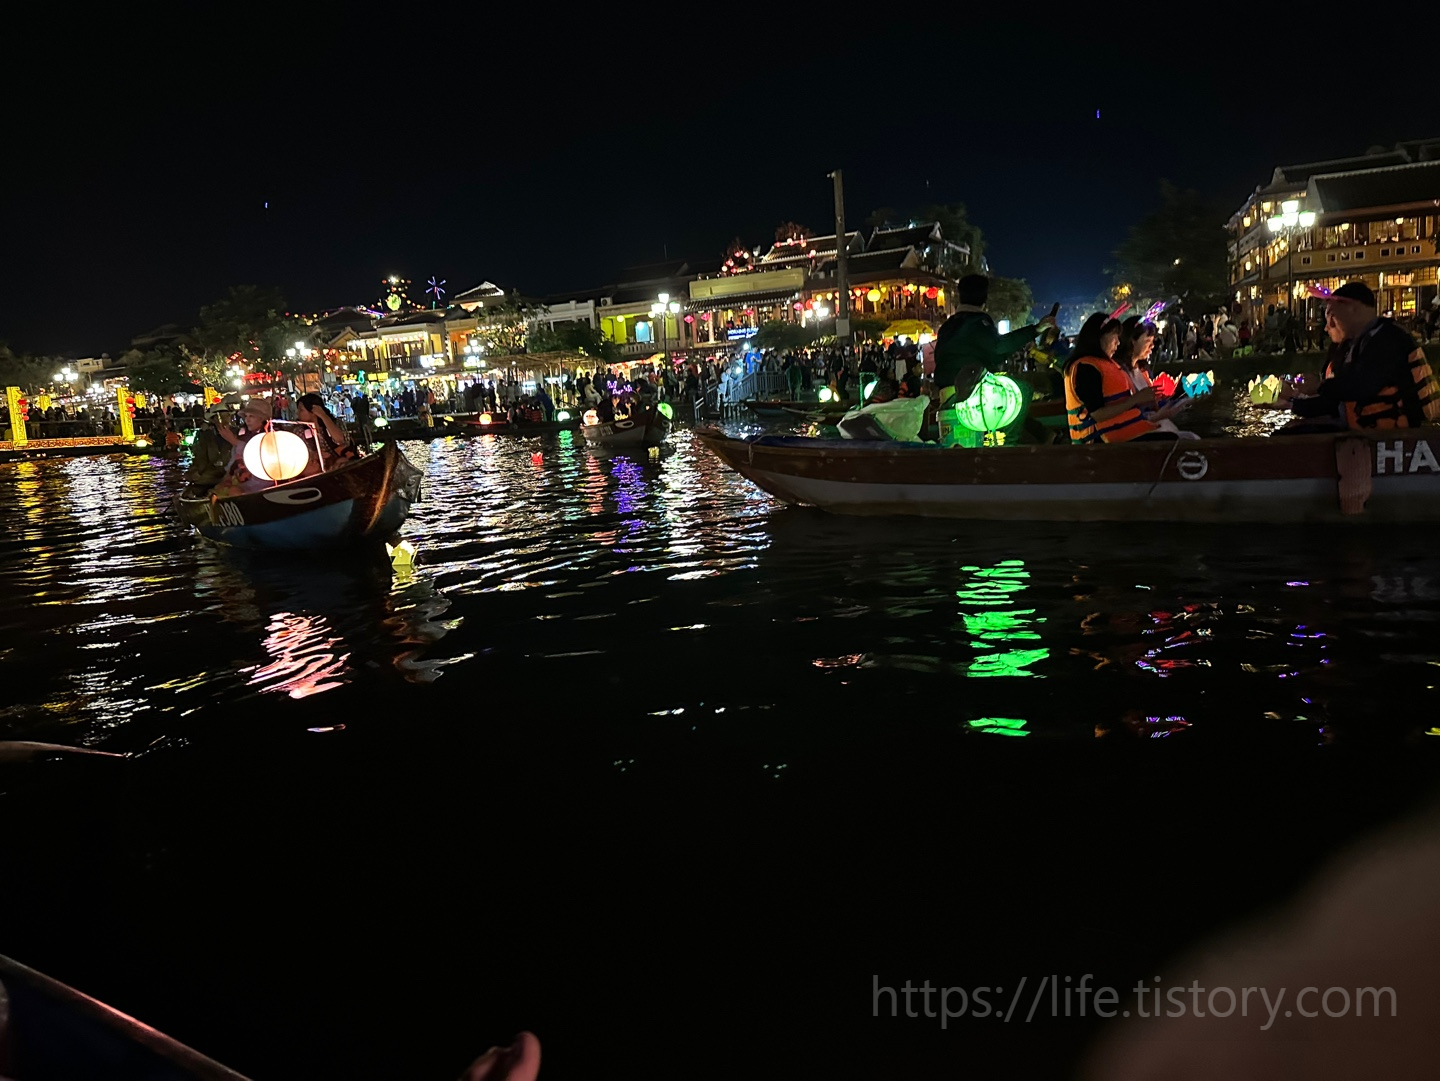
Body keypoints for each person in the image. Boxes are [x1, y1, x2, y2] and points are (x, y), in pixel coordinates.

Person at [1276, 281, 1440, 434]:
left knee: (1287, 436)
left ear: (1352, 309)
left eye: (1332, 317)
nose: (1327, 327)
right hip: (1363, 429)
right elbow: (1335, 402)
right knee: (1287, 431)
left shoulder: (1388, 338)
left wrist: (1319, 386)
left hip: (1394, 435)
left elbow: (1360, 386)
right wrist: (1292, 403)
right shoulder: (1354, 345)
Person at [932, 274, 1056, 405]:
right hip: (971, 390)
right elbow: (998, 348)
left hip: (945, 393)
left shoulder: (947, 326)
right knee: (1025, 391)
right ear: (984, 300)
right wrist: (1036, 329)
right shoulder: (978, 322)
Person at [1062, 314, 1176, 443]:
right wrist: (1136, 399)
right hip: (1098, 441)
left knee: (1176, 437)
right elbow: (1097, 414)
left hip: (1121, 432)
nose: (1118, 342)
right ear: (1100, 336)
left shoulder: (1106, 364)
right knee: (1173, 440)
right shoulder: (1086, 368)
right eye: (1115, 336)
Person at [297, 392, 359, 467]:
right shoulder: (300, 431)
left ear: (313, 411)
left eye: (301, 410)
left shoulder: (336, 423)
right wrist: (315, 455)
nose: (297, 413)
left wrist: (323, 415)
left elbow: (341, 440)